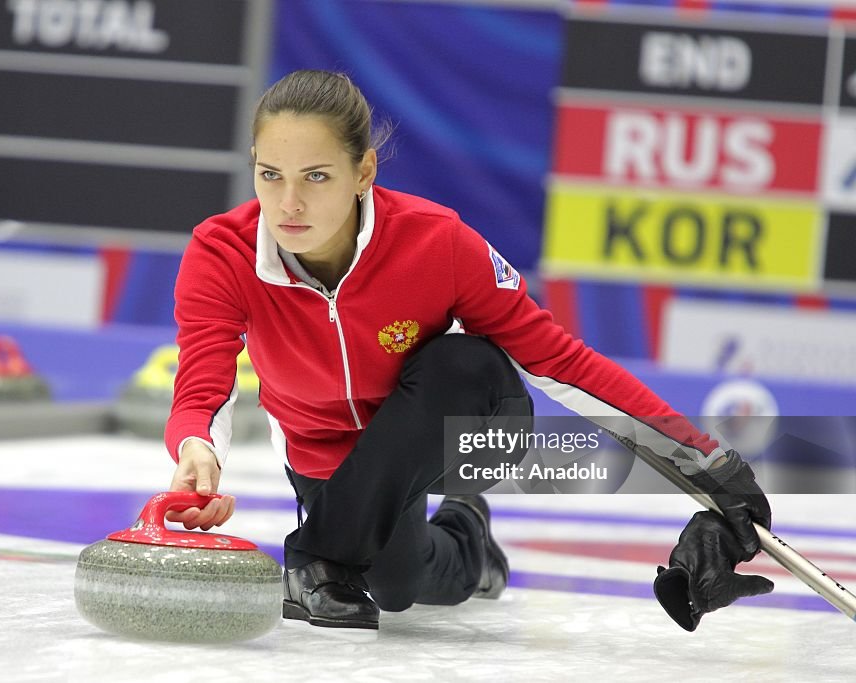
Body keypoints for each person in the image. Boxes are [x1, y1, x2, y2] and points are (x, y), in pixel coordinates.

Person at [164, 69, 773, 632]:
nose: (288, 203)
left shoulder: (437, 242)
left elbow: (559, 361)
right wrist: (197, 447)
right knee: (395, 586)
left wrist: (704, 459)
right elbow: (204, 381)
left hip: (467, 430)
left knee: (463, 363)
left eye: (315, 176)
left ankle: (318, 556)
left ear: (364, 173)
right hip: (331, 456)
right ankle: (469, 535)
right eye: (271, 174)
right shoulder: (222, 252)